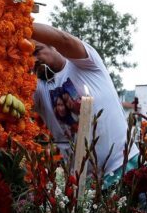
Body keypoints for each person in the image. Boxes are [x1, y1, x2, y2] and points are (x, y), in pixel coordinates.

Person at [31, 23, 139, 186]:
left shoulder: (86, 64)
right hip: (84, 185)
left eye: (36, 51)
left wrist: (19, 22)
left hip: (123, 167)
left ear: (53, 46)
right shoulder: (39, 91)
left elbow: (64, 39)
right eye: (27, 56)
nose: (34, 60)